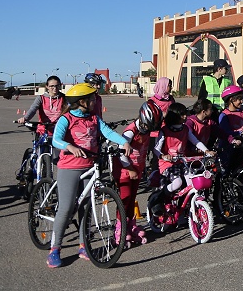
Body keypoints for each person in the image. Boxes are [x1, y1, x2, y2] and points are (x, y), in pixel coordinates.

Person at [48, 83, 131, 268]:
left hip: (90, 166)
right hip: (69, 168)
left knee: (86, 208)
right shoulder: (66, 118)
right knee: (66, 207)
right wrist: (69, 146)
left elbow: (107, 132)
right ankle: (54, 249)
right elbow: (56, 139)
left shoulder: (94, 118)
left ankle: (83, 245)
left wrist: (123, 142)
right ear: (81, 102)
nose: (95, 101)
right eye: (92, 98)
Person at [115, 101, 163, 247]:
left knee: (132, 200)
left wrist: (163, 154)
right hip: (125, 170)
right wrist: (129, 169)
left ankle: (131, 226)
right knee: (125, 200)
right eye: (149, 126)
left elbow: (155, 146)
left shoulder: (147, 130)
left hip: (137, 169)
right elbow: (120, 153)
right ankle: (119, 231)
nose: (149, 130)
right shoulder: (131, 132)